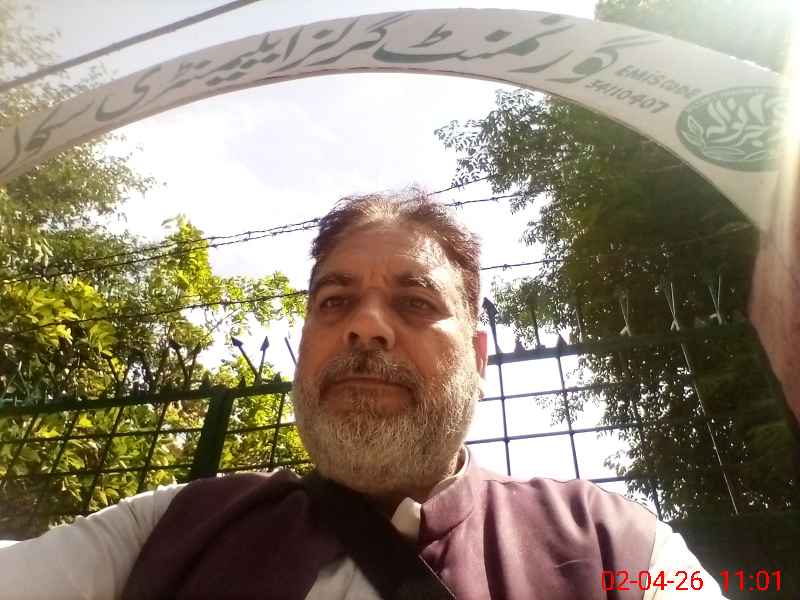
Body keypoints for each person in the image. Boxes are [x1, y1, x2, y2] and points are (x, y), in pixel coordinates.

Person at [0, 191, 727, 599]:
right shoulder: (168, 529)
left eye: (414, 303)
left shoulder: (619, 547)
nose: (365, 327)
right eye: (334, 302)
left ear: (479, 360)